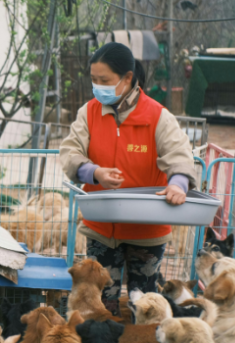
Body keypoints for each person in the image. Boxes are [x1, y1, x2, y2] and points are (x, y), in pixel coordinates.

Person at [59, 42, 196, 315]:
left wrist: (178, 184)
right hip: (101, 228)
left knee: (144, 306)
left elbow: (180, 155)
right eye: (94, 80)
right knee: (99, 305)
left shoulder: (157, 116)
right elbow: (70, 152)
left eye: (104, 80)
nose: (98, 87)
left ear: (127, 78)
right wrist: (94, 172)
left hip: (147, 231)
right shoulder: (89, 112)